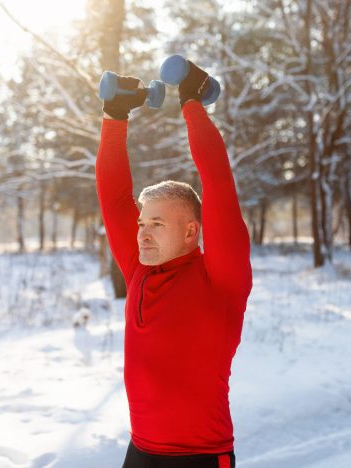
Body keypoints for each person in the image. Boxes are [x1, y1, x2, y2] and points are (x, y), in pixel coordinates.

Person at [95, 60, 252, 468]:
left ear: (190, 231)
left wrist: (192, 103)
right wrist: (115, 116)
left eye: (157, 223)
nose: (142, 232)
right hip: (140, 453)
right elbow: (114, 198)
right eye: (143, 222)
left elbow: (217, 181)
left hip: (200, 458)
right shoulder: (140, 269)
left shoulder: (221, 279)